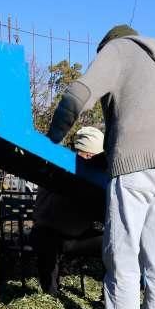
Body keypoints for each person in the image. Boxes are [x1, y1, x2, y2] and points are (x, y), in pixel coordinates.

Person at [47, 24, 155, 309]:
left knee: (121, 255)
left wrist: (53, 137)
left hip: (133, 168)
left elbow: (79, 92)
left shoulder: (119, 50)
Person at [31, 126, 105, 296]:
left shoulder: (94, 179)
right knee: (45, 238)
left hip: (77, 235)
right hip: (51, 232)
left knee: (114, 242)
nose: (91, 161)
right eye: (89, 156)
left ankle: (111, 294)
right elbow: (43, 214)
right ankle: (51, 295)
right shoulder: (60, 171)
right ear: (81, 153)